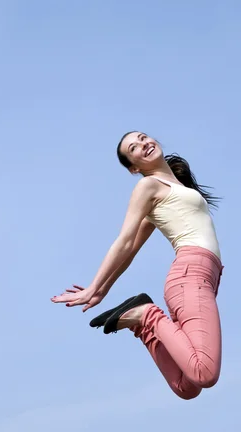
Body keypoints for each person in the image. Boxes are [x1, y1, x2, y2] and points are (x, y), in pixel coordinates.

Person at [51, 131, 224, 400]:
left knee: (187, 387)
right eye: (134, 147)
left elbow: (132, 250)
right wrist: (94, 287)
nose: (143, 144)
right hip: (190, 275)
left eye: (143, 138)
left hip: (204, 280)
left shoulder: (174, 186)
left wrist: (103, 291)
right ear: (134, 168)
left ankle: (142, 325)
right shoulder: (149, 186)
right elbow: (125, 241)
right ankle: (146, 314)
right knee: (205, 373)